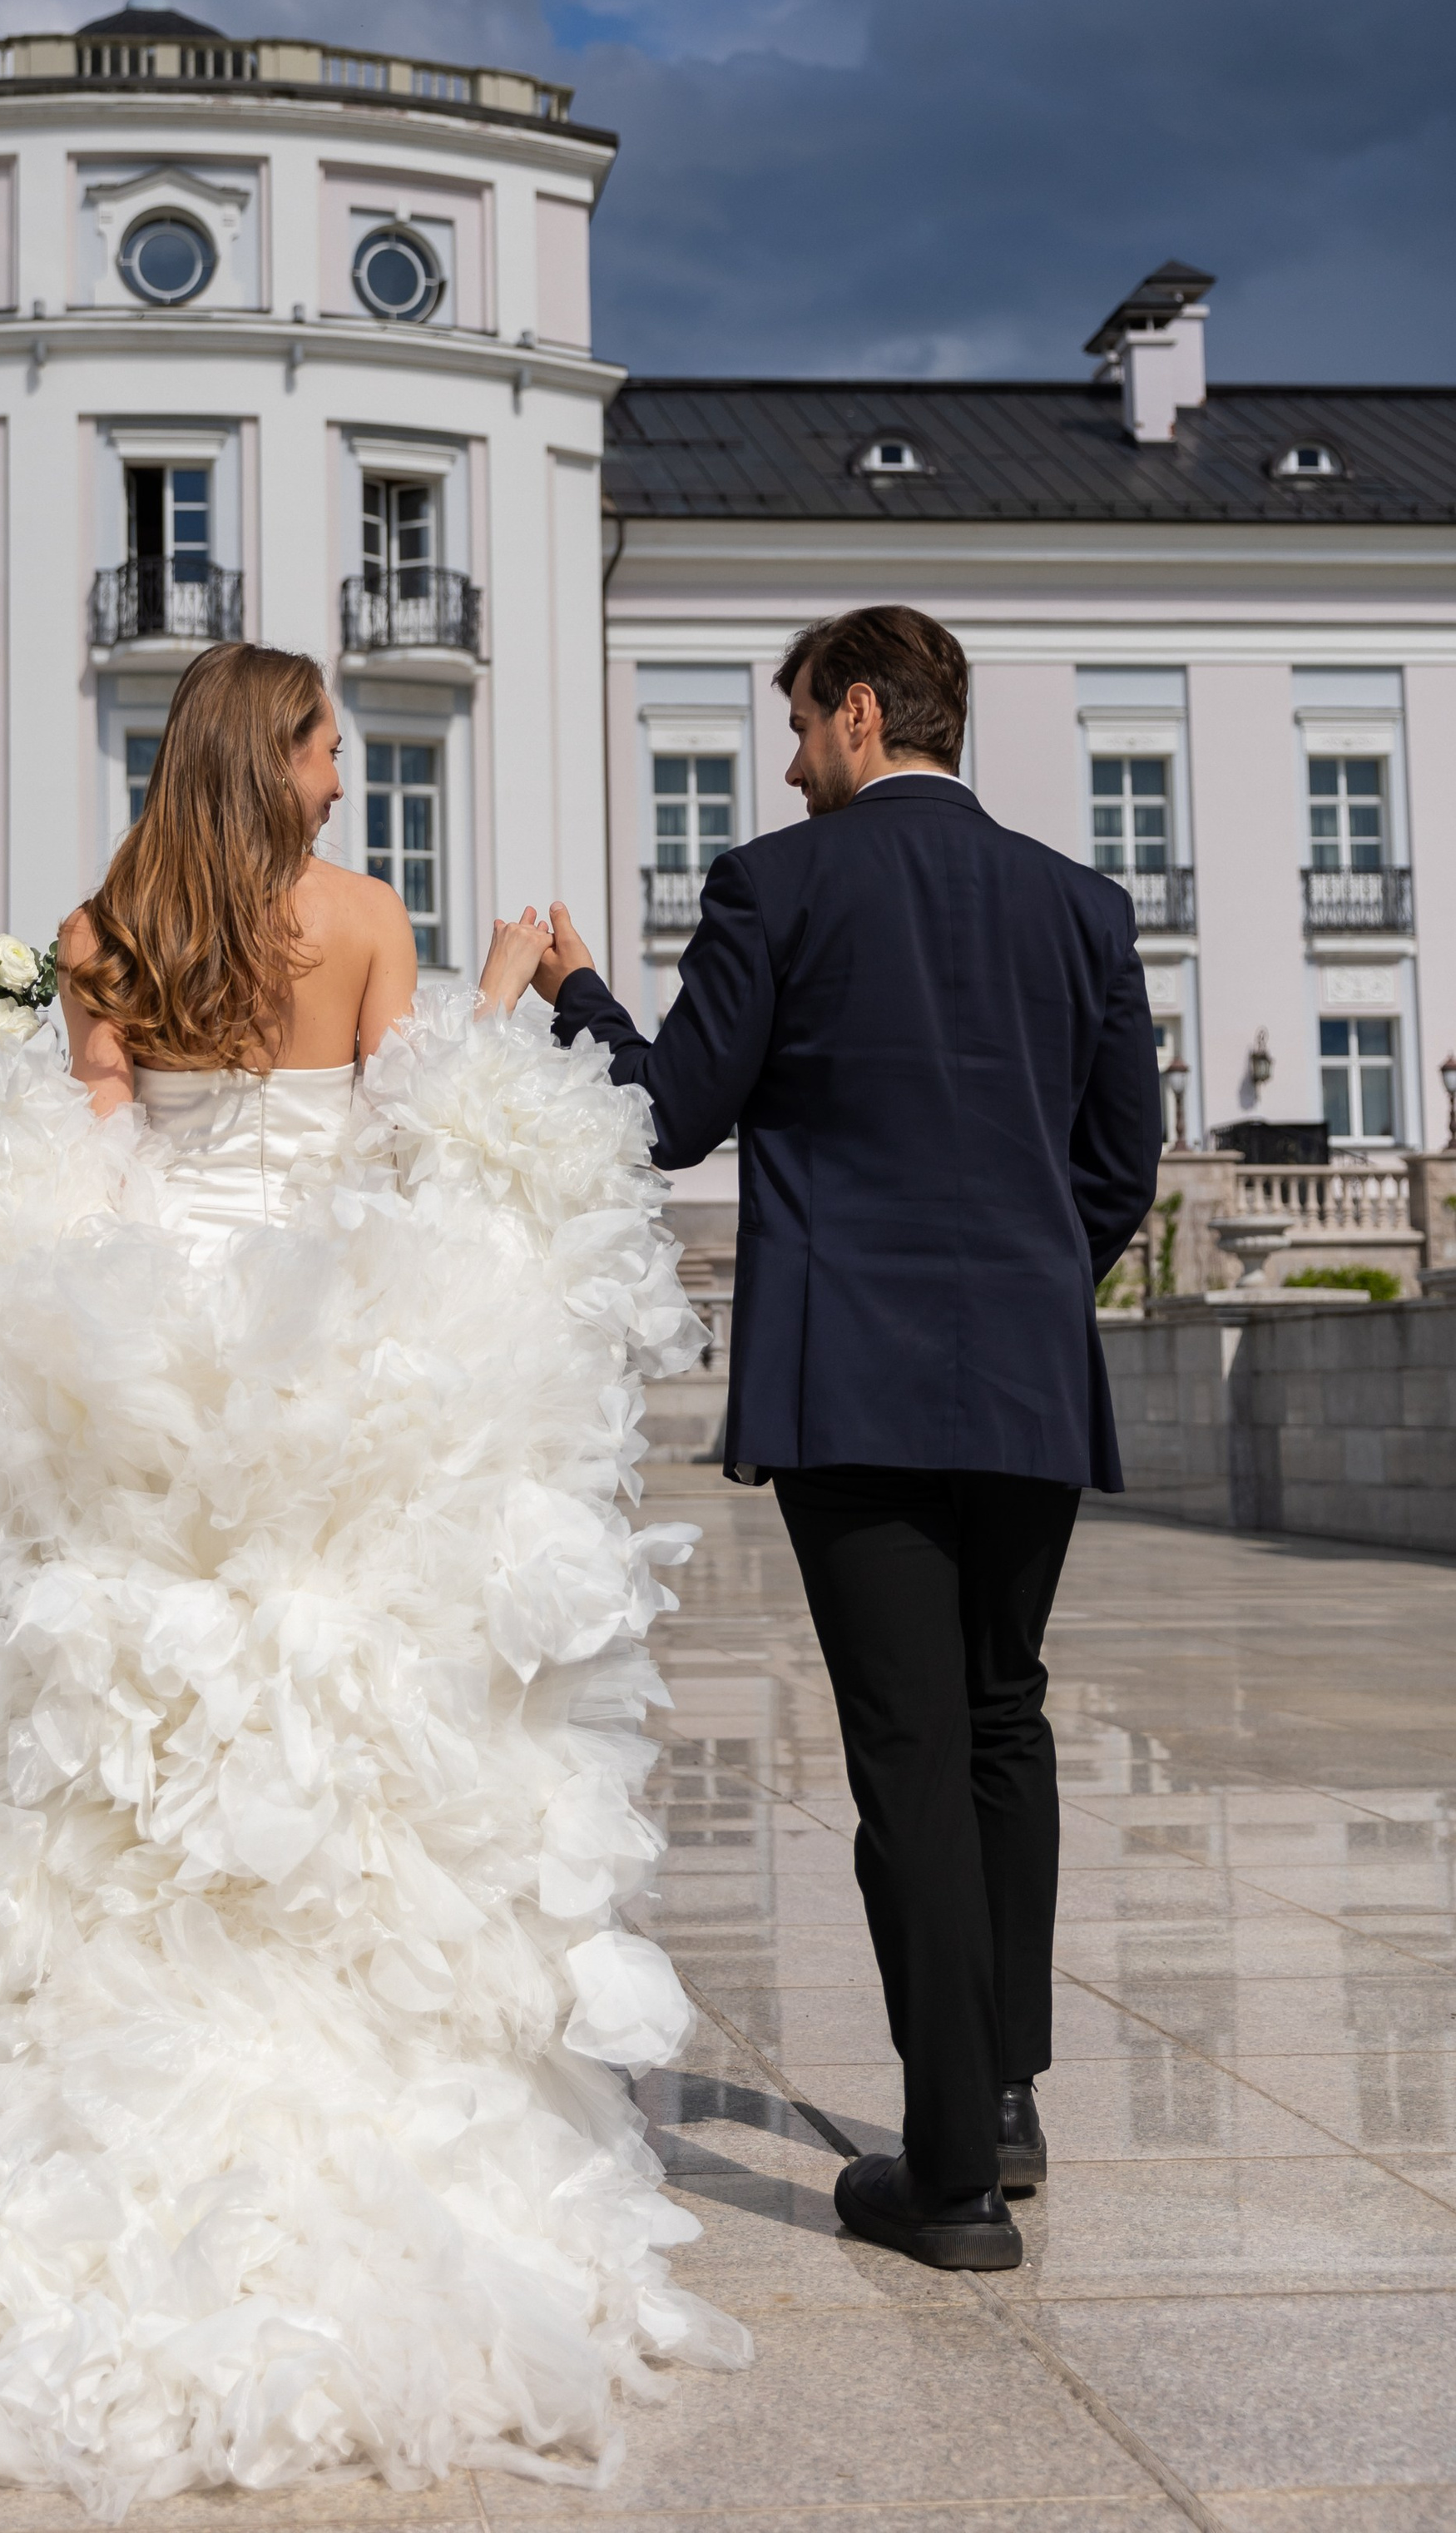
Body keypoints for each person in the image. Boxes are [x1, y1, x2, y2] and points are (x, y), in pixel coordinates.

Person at [0, 642, 745, 2506]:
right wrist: (508, 986)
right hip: (331, 1368)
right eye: (328, 750)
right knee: (348, 1734)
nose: (346, 782)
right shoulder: (363, 923)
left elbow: (94, 1180)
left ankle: (117, 2087)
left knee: (124, 1751)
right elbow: (411, 1152)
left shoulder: (96, 935)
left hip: (138, 1373)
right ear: (272, 756)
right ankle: (355, 2074)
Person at [528, 605, 1161, 2274]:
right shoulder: (1081, 907)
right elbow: (1118, 1164)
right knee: (999, 1721)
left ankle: (946, 2177)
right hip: (1023, 1378)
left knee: (905, 1754)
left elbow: (663, 1116)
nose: (784, 753)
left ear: (861, 715)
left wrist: (573, 986)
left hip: (852, 1385)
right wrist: (1028, 1290)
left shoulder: (776, 885)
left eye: (796, 721)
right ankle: (1006, 2094)